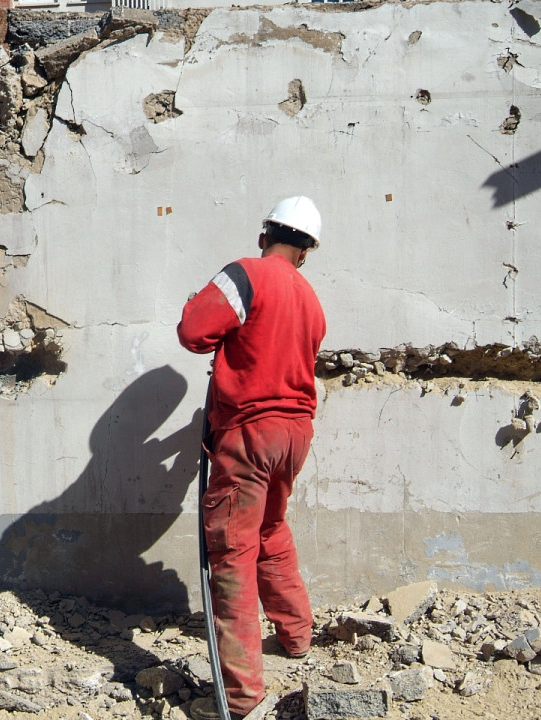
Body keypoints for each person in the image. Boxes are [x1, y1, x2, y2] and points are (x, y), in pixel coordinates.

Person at [177, 197, 326, 720]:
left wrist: (200, 304)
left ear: (265, 235)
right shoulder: (309, 298)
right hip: (295, 433)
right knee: (270, 530)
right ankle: (296, 635)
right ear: (305, 252)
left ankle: (240, 695)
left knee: (232, 551)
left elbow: (194, 333)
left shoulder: (247, 274)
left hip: (250, 432)